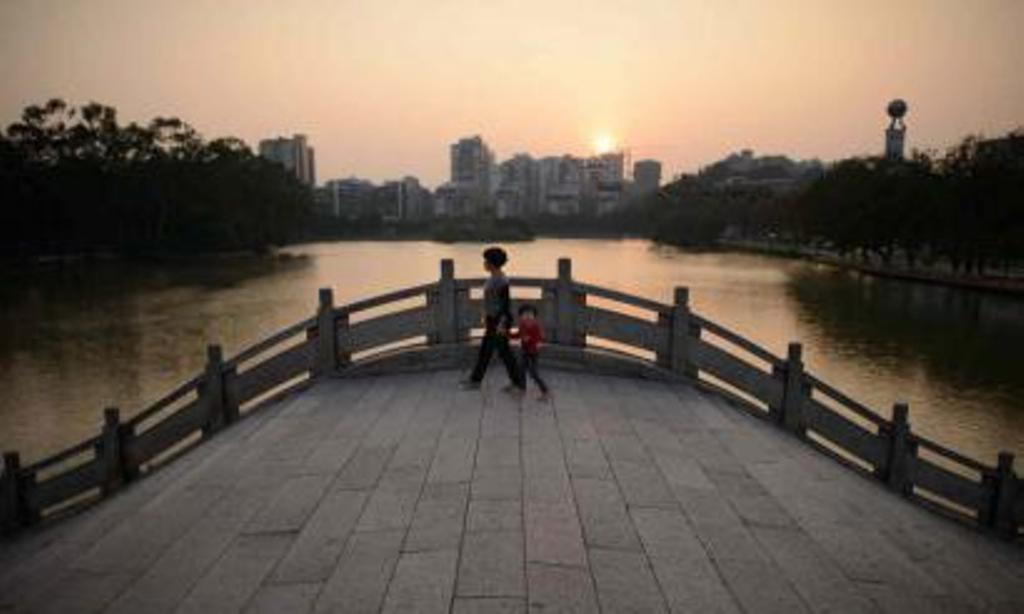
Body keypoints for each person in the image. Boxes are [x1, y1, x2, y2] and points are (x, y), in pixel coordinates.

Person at [462, 247, 525, 392]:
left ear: (492, 263)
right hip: (493, 320)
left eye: (486, 261)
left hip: (499, 321)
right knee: (491, 351)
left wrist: (501, 324)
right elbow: (491, 301)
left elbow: (505, 304)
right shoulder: (494, 277)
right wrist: (486, 316)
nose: (484, 263)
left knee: (502, 353)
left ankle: (516, 383)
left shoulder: (501, 280)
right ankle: (477, 381)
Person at [509, 304, 549, 400]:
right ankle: (522, 388)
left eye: (530, 314)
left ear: (534, 316)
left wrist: (530, 339)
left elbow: (539, 338)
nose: (527, 316)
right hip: (524, 352)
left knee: (533, 373)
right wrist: (508, 334)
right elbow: (518, 335)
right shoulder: (522, 325)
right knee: (521, 370)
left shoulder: (535, 327)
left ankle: (545, 391)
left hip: (533, 353)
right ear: (521, 316)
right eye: (525, 314)